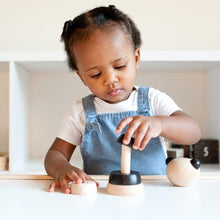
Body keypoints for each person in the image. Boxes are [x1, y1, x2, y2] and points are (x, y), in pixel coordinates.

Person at [44, 5, 201, 193]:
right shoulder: (80, 112)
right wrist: (63, 169)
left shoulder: (152, 100)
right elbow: (55, 154)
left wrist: (160, 124)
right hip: (104, 195)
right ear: (81, 77)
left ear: (136, 59)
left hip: (155, 192)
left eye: (119, 66)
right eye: (95, 74)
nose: (110, 79)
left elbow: (193, 132)